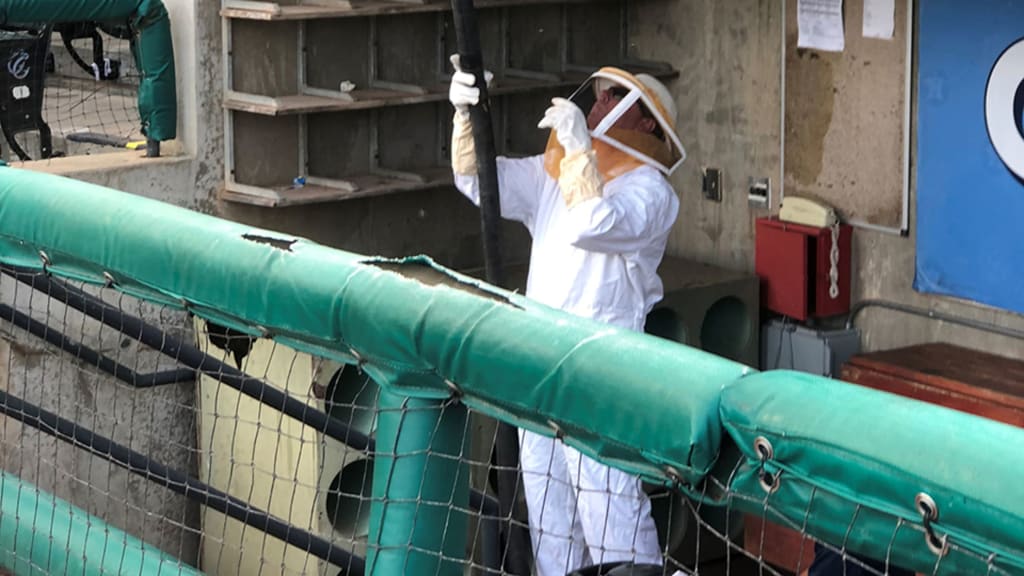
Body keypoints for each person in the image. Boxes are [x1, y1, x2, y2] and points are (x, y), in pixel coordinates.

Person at [447, 55, 686, 576]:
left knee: (612, 513)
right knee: (551, 519)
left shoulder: (652, 192)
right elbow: (480, 183)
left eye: (613, 98)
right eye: (598, 93)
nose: (598, 103)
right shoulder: (557, 172)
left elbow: (593, 221)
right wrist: (466, 115)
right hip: (541, 365)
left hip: (604, 374)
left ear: (647, 123)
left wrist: (579, 148)